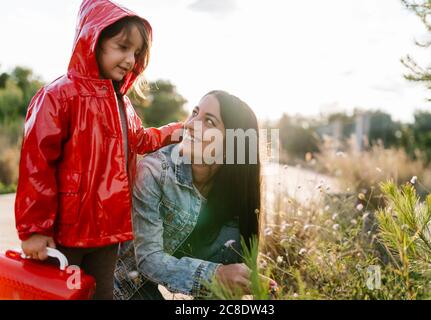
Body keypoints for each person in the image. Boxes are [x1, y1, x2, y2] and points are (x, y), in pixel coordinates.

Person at [14, 0, 182, 300]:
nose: (130, 59)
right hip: (66, 233)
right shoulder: (59, 96)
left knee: (101, 294)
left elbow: (140, 140)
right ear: (93, 40)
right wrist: (35, 229)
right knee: (56, 294)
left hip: (108, 232)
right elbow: (37, 163)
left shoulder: (123, 104)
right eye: (122, 47)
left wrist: (174, 132)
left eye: (137, 53)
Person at [114, 91, 275, 300]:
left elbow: (229, 275)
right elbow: (148, 260)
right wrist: (215, 276)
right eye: (195, 113)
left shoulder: (236, 193)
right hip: (129, 289)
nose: (190, 125)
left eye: (208, 121)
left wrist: (252, 287)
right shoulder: (155, 171)